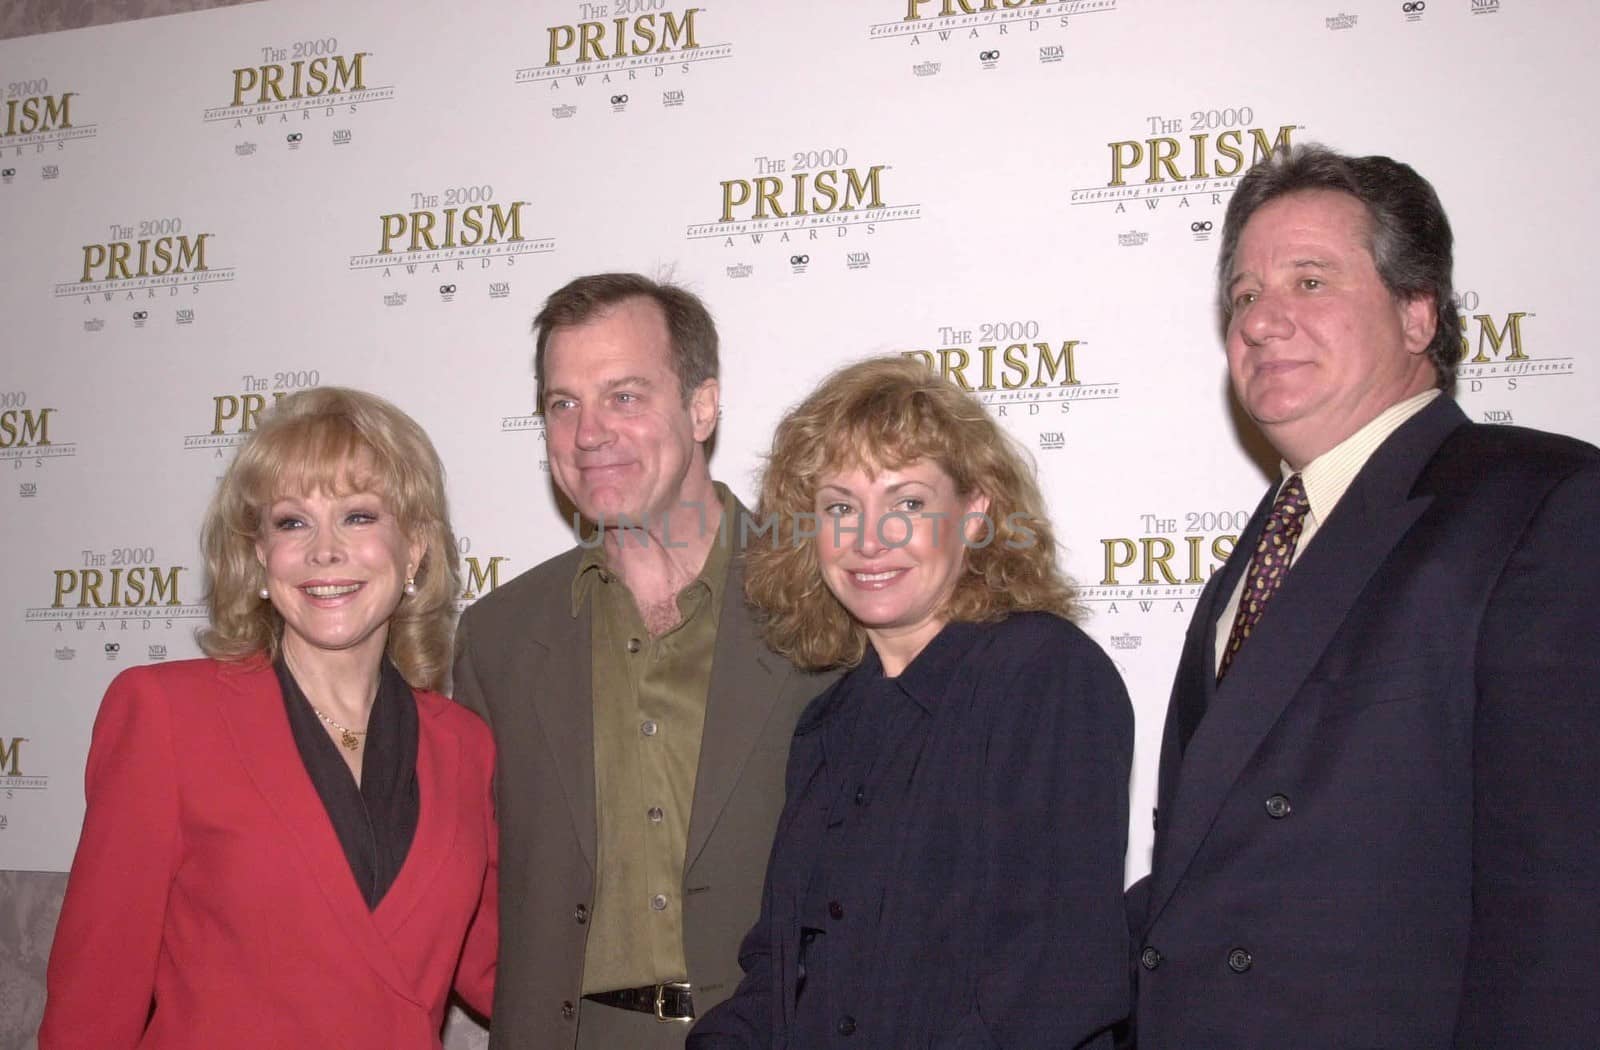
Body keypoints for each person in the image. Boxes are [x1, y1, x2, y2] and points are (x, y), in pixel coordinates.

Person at [1130, 145, 1600, 1047]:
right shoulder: (1268, 542)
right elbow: (1213, 870)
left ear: (1418, 312)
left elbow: (1566, 900)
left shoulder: (1538, 504)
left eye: (1310, 282)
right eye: (1243, 295)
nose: (1263, 322)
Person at [689, 356, 1133, 1049]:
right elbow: (780, 975)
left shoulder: (1044, 675)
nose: (870, 539)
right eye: (840, 507)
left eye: (907, 503)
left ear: (975, 514)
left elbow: (1052, 979)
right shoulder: (827, 727)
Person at [38, 387, 497, 1050]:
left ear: (416, 551)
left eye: (359, 515)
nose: (324, 550)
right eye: (291, 522)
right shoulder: (165, 716)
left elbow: (499, 968)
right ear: (258, 558)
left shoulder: (464, 746)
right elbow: (93, 998)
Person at [453, 273, 833, 1049]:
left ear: (702, 406)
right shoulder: (497, 638)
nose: (589, 432)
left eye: (624, 395)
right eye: (563, 403)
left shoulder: (828, 605)